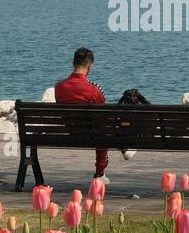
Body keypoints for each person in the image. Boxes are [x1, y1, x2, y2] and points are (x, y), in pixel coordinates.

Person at [54, 47, 146, 179]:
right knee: (104, 127)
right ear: (89, 66)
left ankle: (118, 153)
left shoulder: (59, 87)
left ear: (73, 63)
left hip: (70, 132)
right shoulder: (93, 90)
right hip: (92, 134)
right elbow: (104, 114)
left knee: (101, 127)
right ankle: (104, 168)